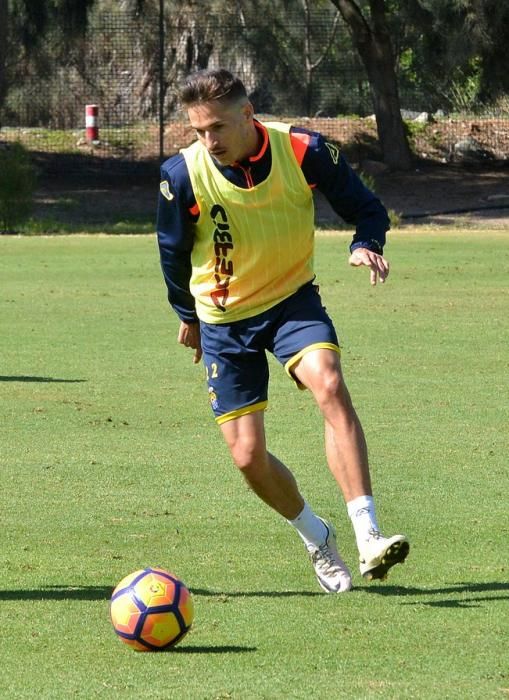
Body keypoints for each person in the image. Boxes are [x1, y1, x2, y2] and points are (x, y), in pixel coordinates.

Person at [156, 68, 409, 593]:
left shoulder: (303, 151)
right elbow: (172, 252)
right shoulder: (181, 176)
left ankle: (369, 536)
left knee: (329, 381)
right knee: (247, 456)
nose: (210, 141)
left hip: (292, 301)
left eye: (219, 127)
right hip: (224, 322)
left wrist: (366, 242)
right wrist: (187, 317)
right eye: (200, 131)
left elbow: (365, 207)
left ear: (249, 115)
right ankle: (317, 536)